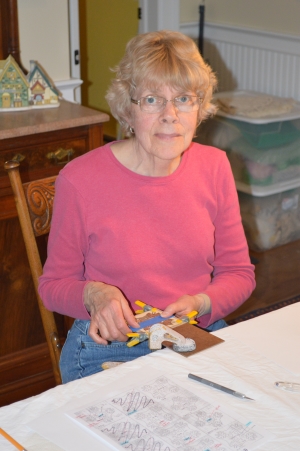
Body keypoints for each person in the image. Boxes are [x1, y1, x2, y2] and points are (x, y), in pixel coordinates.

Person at [38, 30, 255, 383]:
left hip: (193, 332)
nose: (170, 115)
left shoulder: (214, 166)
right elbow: (53, 285)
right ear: (128, 108)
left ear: (200, 108)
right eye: (152, 100)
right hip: (110, 345)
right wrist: (93, 293)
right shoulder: (80, 179)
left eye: (184, 99)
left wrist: (201, 303)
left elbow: (238, 274)